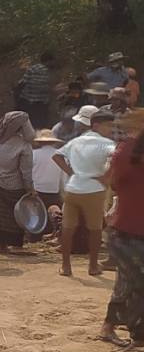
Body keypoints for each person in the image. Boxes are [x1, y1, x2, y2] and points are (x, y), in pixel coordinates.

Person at [56, 110, 118, 278]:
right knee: (95, 229)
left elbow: (57, 156)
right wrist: (107, 177)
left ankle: (65, 266)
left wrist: (71, 172)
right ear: (96, 125)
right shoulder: (106, 143)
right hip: (94, 189)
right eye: (108, 126)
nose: (111, 130)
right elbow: (117, 158)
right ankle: (92, 266)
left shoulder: (76, 141)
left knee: (68, 227)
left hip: (73, 188)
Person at [102, 130, 144, 346]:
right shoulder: (129, 148)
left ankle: (131, 331)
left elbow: (114, 182)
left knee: (130, 281)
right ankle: (118, 328)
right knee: (132, 282)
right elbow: (114, 181)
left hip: (127, 228)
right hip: (128, 231)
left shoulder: (127, 147)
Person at [0, 111, 36, 253]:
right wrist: (30, 188)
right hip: (16, 185)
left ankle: (2, 246)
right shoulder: (23, 145)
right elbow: (26, 171)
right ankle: (16, 245)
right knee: (16, 215)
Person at [15, 52, 56, 127]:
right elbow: (45, 87)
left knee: (27, 124)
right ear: (49, 61)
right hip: (40, 104)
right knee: (39, 124)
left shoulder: (32, 68)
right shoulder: (47, 71)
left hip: (27, 101)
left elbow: (22, 82)